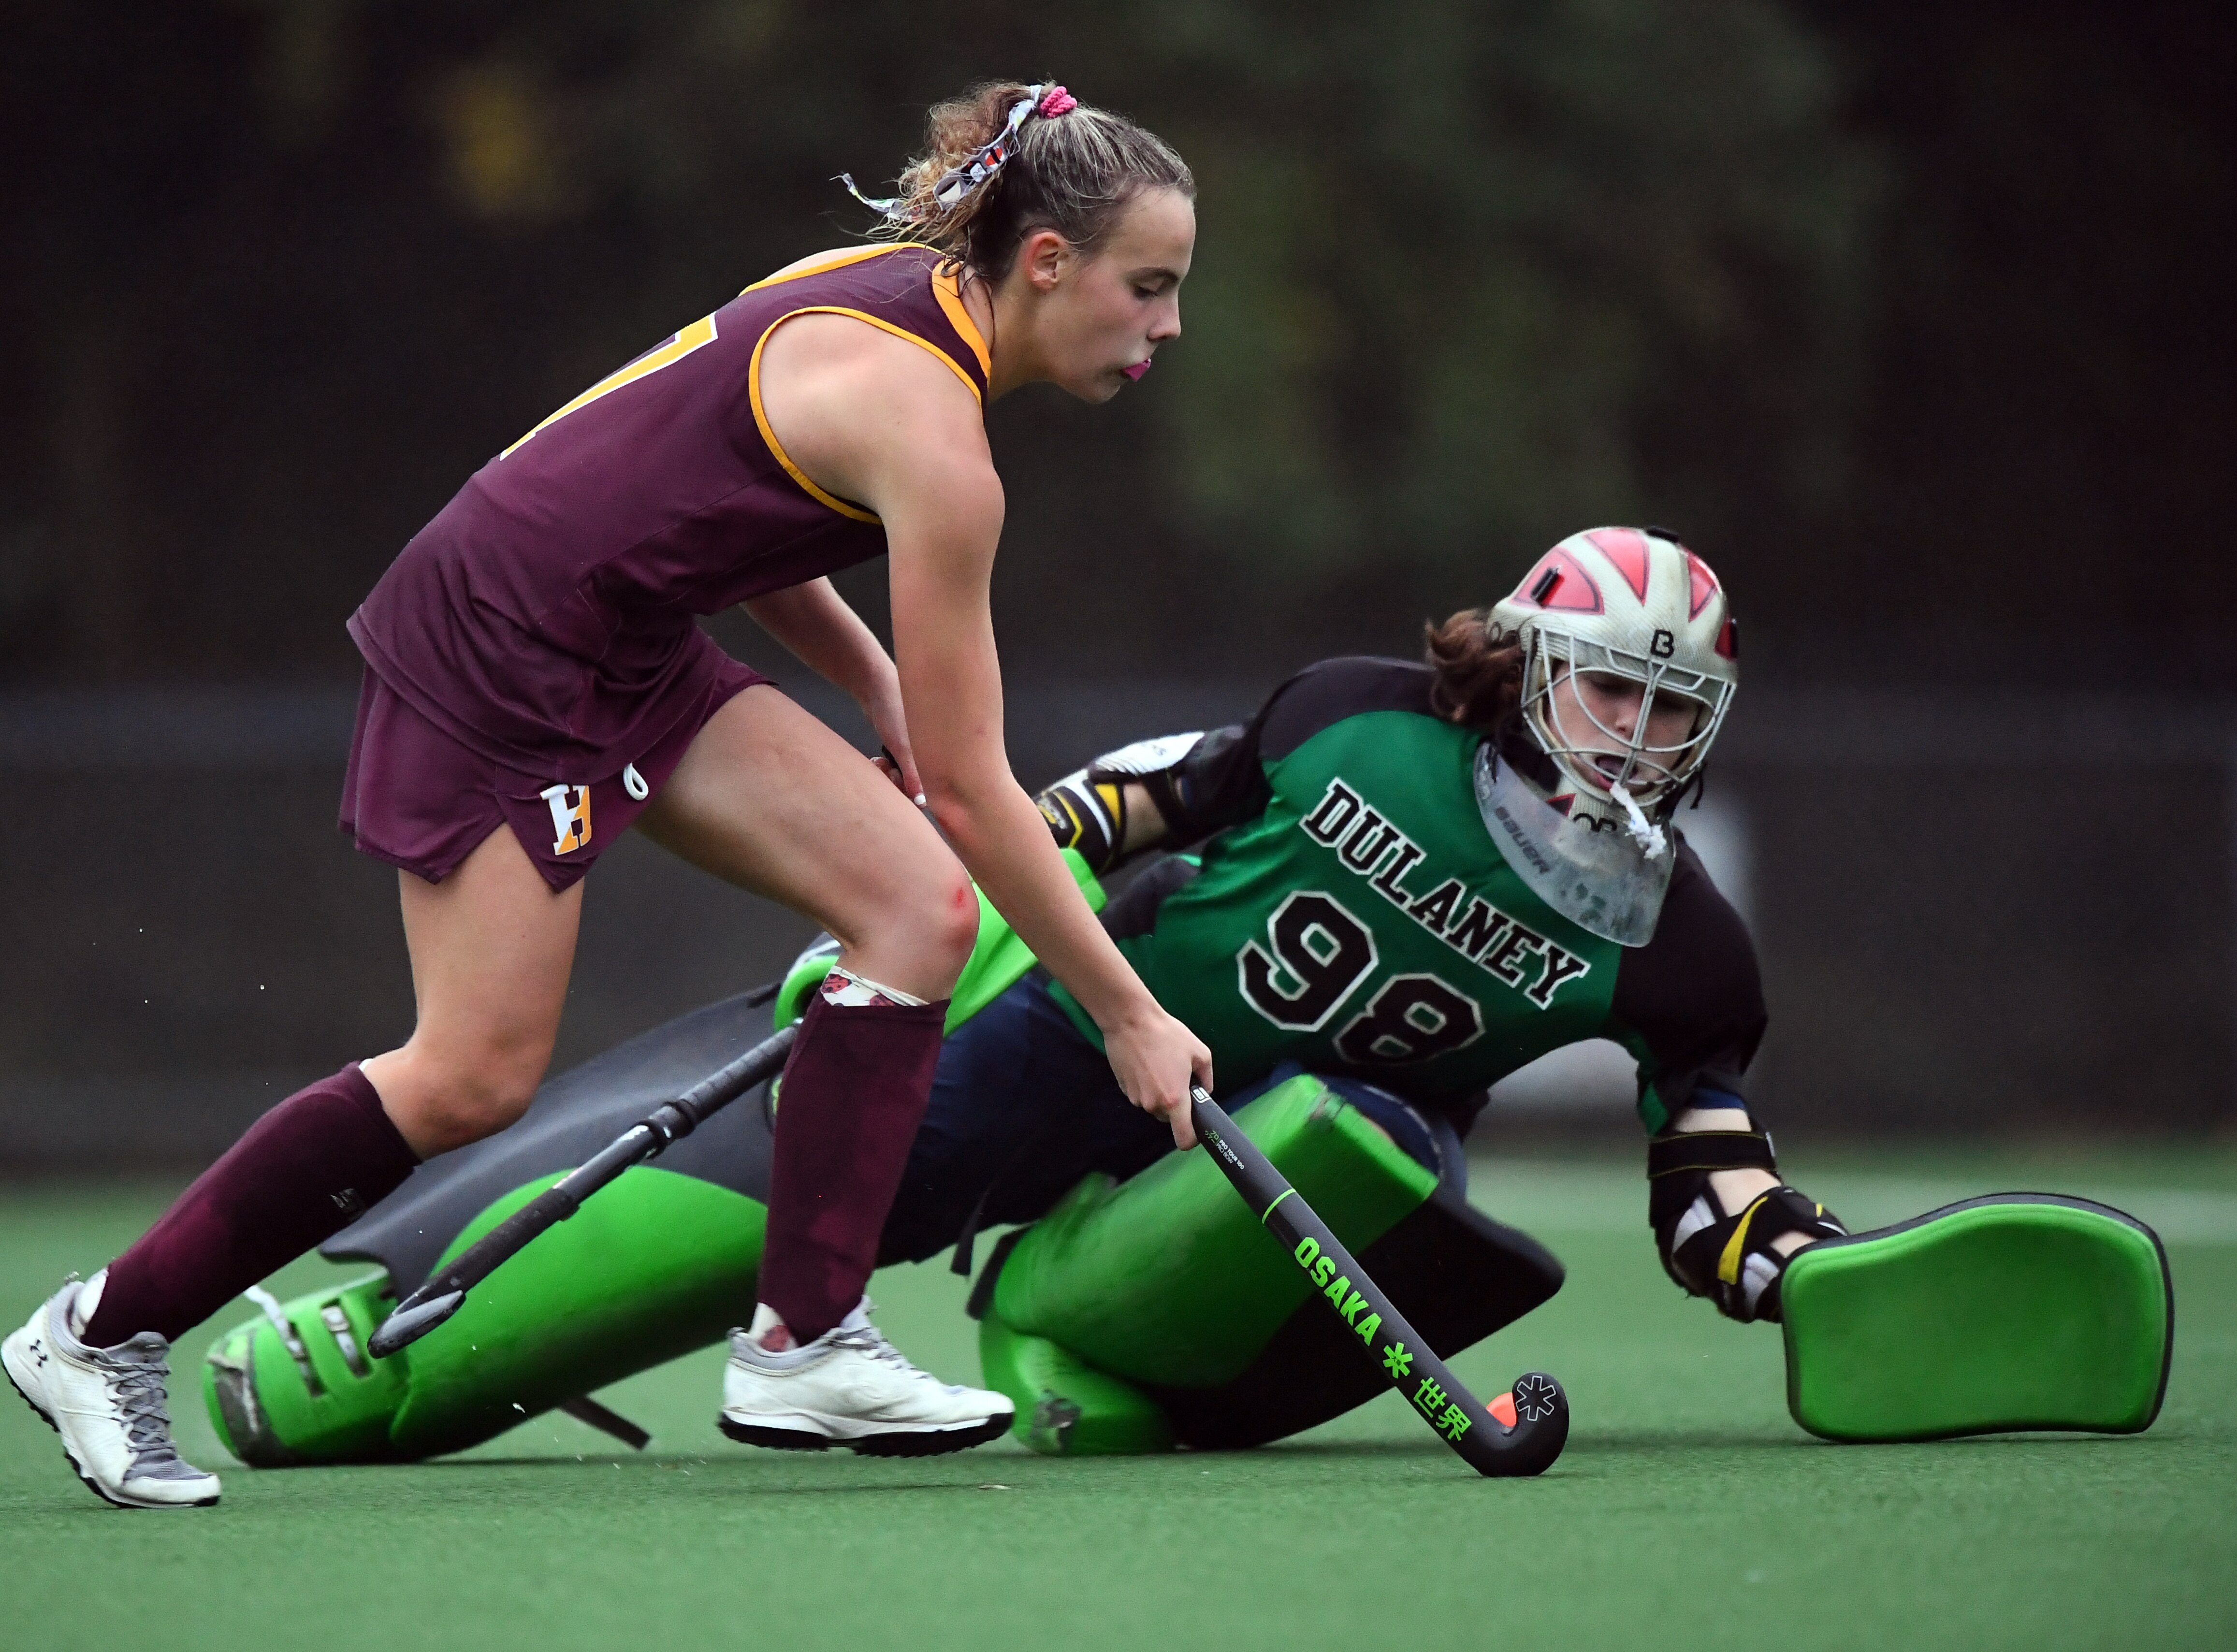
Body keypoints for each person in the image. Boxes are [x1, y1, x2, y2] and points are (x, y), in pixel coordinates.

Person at [4, 78, 1214, 1508]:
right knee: (471, 1075)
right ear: (1048, 263)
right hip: (501, 639)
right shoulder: (941, 445)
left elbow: (731, 513)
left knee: (912, 907)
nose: (1167, 326)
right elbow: (971, 783)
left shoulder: (893, 296)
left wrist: (878, 686)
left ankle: (801, 1338)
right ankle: (101, 1331)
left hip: (621, 634)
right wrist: (1127, 1011)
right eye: (1150, 287)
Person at [884, 525, 1846, 1318]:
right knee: (861, 1183)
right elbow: (1137, 800)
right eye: (1609, 686)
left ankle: (1055, 1315)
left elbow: (1706, 1174)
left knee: (1372, 1145)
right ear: (1528, 660)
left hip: (1319, 1149)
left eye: (1672, 703)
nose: (1634, 731)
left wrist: (1782, 1253)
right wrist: (942, 879)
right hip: (1103, 1028)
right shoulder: (1353, 716)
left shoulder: (1685, 944)